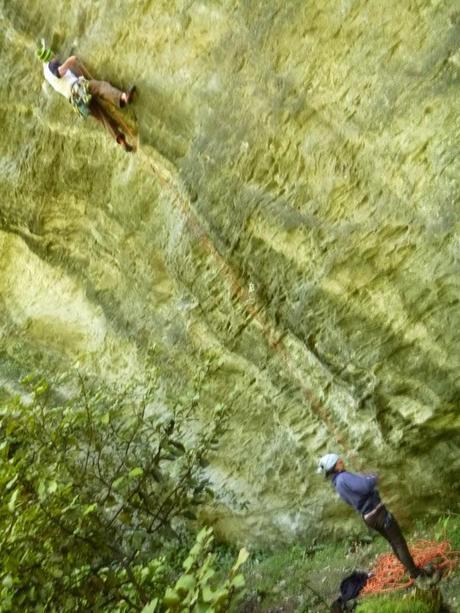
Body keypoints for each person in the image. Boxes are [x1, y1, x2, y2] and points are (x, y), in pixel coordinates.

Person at [317, 453, 438, 587]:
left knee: (394, 543)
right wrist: (372, 477)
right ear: (336, 465)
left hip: (369, 517)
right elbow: (364, 486)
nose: (342, 461)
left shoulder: (338, 485)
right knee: (399, 543)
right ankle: (419, 578)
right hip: (379, 514)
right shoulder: (343, 478)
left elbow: (353, 497)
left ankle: (413, 570)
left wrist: (364, 479)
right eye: (340, 461)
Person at [37, 41, 135, 152]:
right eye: (53, 56)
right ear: (50, 57)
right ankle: (123, 97)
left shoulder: (47, 75)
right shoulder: (51, 65)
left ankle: (121, 141)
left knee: (102, 117)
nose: (56, 58)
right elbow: (58, 72)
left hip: (76, 101)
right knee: (101, 87)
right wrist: (70, 61)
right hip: (78, 88)